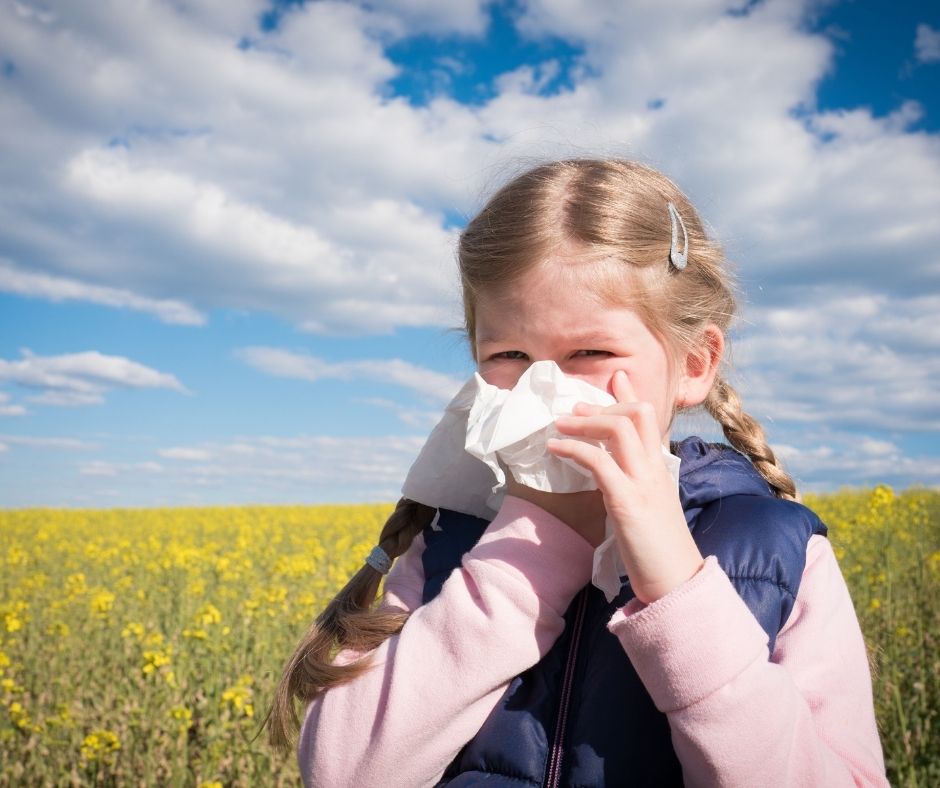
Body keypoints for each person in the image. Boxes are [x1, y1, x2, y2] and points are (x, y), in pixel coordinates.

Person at [267, 159, 888, 786]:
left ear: (694, 364)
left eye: (589, 352)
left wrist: (676, 588)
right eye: (508, 355)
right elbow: (344, 772)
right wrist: (531, 549)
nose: (545, 388)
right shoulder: (449, 542)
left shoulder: (773, 549)